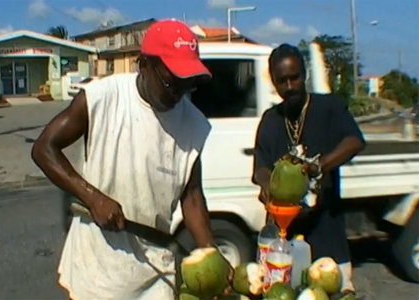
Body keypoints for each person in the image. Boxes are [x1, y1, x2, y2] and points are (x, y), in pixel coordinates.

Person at [32, 19, 232, 300]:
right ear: (144, 64)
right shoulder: (102, 99)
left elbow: (193, 196)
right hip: (99, 270)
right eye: (171, 83)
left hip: (155, 269)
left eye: (188, 85)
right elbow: (44, 148)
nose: (178, 95)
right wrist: (93, 198)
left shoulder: (193, 123)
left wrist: (209, 250)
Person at [252, 44, 365, 294]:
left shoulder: (328, 108)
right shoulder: (270, 120)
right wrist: (267, 185)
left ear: (305, 75)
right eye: (283, 81)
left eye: (295, 78)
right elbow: (260, 167)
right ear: (273, 81)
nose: (290, 86)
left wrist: (319, 165)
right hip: (285, 244)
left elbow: (355, 140)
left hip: (328, 238)